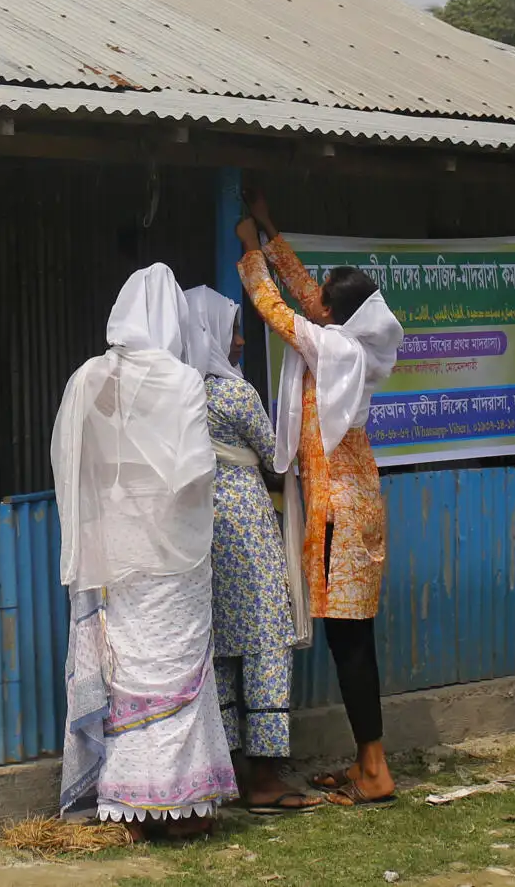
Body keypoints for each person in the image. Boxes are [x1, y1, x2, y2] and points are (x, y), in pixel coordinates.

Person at [54, 264, 237, 833]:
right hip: (173, 549)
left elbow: (71, 460)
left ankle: (131, 803)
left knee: (129, 665)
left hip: (116, 545)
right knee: (176, 660)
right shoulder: (182, 381)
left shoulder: (89, 378)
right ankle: (183, 806)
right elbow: (194, 471)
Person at [233, 194, 403, 804]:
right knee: (351, 639)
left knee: (349, 642)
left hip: (341, 510)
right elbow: (308, 296)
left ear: (338, 313)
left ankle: (375, 771)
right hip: (354, 503)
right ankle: (367, 765)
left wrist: (251, 253)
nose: (317, 301)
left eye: (327, 299)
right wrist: (274, 230)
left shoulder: (333, 349)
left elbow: (278, 309)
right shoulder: (352, 340)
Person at [180, 284, 321, 812]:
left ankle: (229, 771)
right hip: (245, 525)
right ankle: (265, 779)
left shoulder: (179, 392)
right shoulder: (236, 394)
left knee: (217, 645)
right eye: (233, 330)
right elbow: (275, 454)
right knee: (265, 636)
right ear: (211, 333)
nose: (240, 342)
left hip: (197, 529)